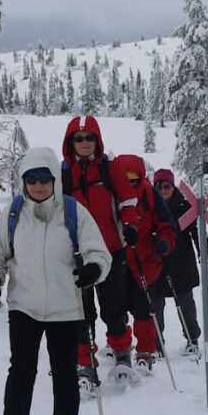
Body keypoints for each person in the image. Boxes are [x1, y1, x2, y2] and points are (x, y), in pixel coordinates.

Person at [0, 146, 111, 415]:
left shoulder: (73, 212)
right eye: (31, 179)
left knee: (66, 379)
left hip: (67, 309)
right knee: (21, 375)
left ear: (55, 180)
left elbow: (100, 253)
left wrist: (94, 270)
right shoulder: (11, 214)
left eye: (44, 178)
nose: (38, 185)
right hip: (23, 306)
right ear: (23, 181)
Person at [60, 116, 142, 387]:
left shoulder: (110, 167)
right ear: (71, 142)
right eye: (78, 138)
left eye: (89, 137)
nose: (84, 143)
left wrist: (130, 224)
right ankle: (85, 362)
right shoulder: (62, 172)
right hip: (77, 255)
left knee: (114, 309)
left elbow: (127, 200)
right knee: (80, 312)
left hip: (111, 251)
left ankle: (121, 357)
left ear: (97, 139)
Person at [109, 155, 177, 371]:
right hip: (116, 262)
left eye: (134, 180)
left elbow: (167, 225)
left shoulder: (150, 194)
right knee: (115, 309)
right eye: (124, 180)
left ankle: (146, 351)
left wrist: (164, 243)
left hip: (144, 262)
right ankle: (119, 347)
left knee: (143, 310)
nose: (129, 185)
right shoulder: (109, 192)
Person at [152, 168, 202, 357]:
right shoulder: (150, 207)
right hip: (157, 263)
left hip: (182, 263)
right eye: (159, 186)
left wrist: (202, 250)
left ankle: (192, 339)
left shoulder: (184, 206)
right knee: (156, 306)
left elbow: (196, 230)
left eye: (166, 186)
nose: (163, 190)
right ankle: (156, 344)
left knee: (185, 303)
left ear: (173, 187)